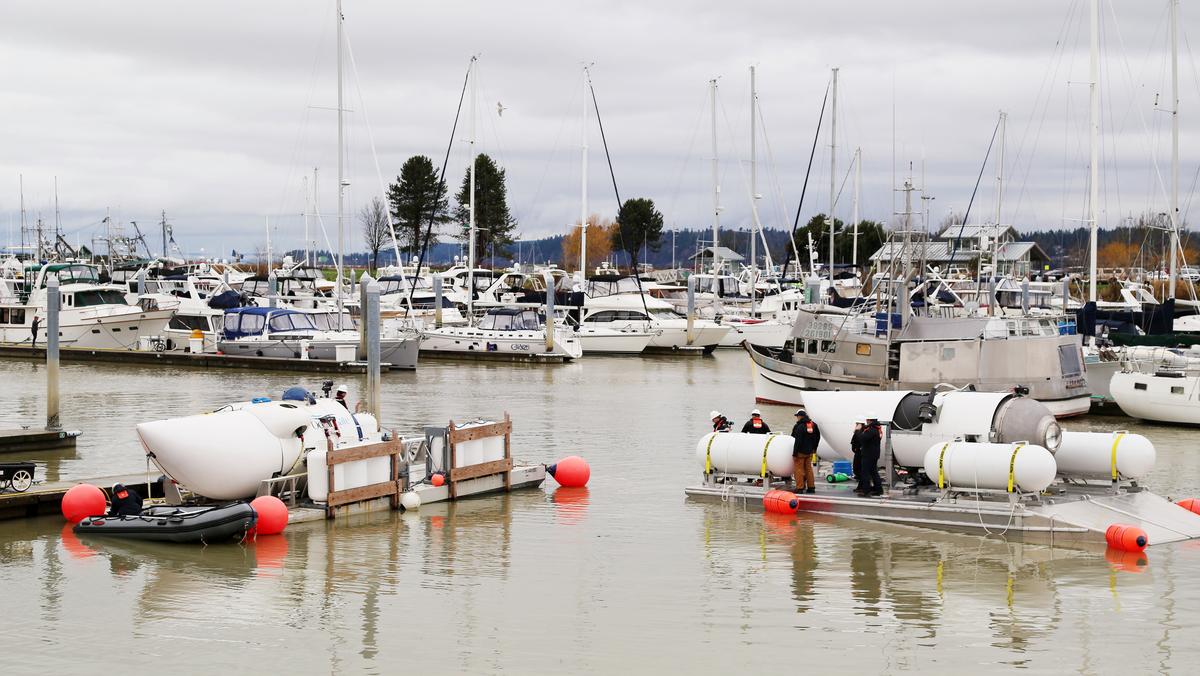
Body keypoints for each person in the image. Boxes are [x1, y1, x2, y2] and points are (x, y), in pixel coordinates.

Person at [790, 408, 820, 493]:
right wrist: (814, 448)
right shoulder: (813, 425)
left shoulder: (799, 426)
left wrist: (794, 453)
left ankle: (800, 488)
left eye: (797, 416)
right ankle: (811, 487)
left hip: (800, 452)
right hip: (810, 452)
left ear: (800, 416)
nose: (797, 418)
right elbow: (818, 437)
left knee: (798, 470)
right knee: (808, 469)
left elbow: (797, 440)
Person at [858, 415, 884, 497]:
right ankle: (878, 489)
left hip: (868, 454)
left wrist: (857, 430)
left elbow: (862, 438)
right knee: (873, 472)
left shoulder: (871, 430)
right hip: (874, 454)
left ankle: (866, 491)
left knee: (865, 472)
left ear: (869, 420)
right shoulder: (877, 428)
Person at [850, 420, 867, 495]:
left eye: (857, 424)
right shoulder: (859, 431)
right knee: (858, 470)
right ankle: (861, 486)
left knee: (859, 470)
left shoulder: (862, 431)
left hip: (861, 453)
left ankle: (863, 486)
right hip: (858, 452)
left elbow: (860, 440)